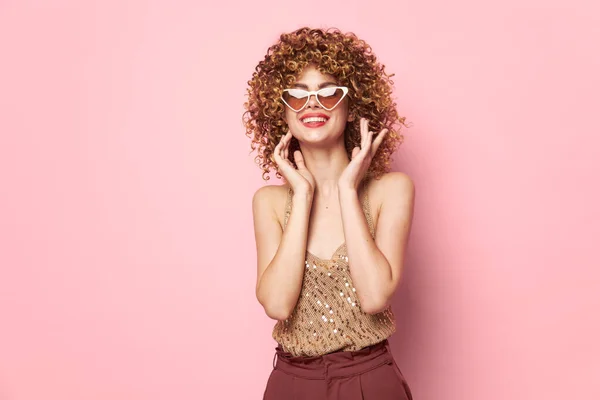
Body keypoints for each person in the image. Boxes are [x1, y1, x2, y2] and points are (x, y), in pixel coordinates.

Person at [243, 27, 415, 400]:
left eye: (328, 91)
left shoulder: (391, 190)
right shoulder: (269, 202)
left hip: (371, 380)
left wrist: (348, 190)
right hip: (292, 384)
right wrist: (303, 195)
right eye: (298, 94)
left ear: (351, 106)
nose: (313, 103)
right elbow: (277, 304)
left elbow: (373, 297)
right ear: (282, 110)